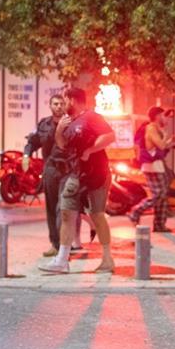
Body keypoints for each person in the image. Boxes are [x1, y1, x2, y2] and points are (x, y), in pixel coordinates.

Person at [38, 87, 116, 275]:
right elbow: (63, 145)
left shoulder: (91, 117)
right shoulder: (68, 120)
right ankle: (62, 260)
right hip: (74, 174)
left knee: (97, 215)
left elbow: (110, 136)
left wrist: (90, 150)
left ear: (73, 99)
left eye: (65, 100)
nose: (63, 104)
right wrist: (59, 130)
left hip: (96, 174)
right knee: (66, 212)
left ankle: (107, 259)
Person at [24, 95, 84, 256]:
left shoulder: (72, 123)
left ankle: (64, 245)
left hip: (68, 170)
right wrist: (26, 155)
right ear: (50, 105)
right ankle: (56, 245)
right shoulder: (44, 124)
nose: (58, 106)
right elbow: (33, 141)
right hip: (50, 170)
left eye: (61, 103)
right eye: (55, 104)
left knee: (63, 208)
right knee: (51, 208)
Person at [128, 106, 174, 233]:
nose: (165, 118)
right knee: (158, 194)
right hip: (152, 167)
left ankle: (159, 225)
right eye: (163, 115)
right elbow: (161, 145)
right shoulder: (151, 128)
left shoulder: (155, 128)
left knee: (162, 196)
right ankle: (135, 212)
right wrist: (166, 135)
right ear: (157, 116)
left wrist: (171, 141)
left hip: (157, 166)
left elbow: (161, 147)